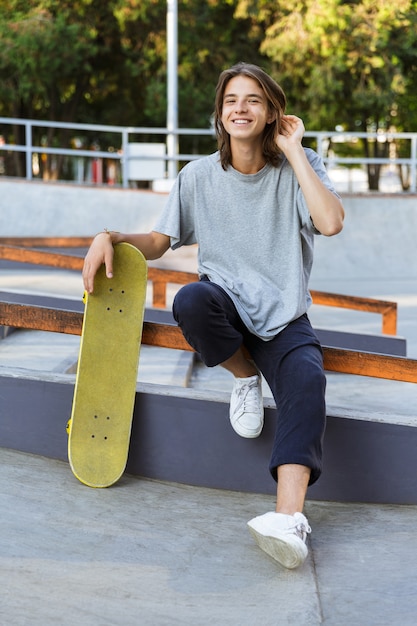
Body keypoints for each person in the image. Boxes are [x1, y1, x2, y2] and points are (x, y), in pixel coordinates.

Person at [83, 62, 344, 570]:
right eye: (231, 100)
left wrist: (293, 151)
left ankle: (289, 521)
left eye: (253, 100)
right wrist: (110, 236)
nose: (240, 108)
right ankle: (244, 377)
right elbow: (159, 242)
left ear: (272, 113)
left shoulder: (300, 163)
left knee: (308, 383)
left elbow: (330, 222)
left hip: (283, 316)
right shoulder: (198, 176)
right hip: (224, 302)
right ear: (220, 114)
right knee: (190, 300)